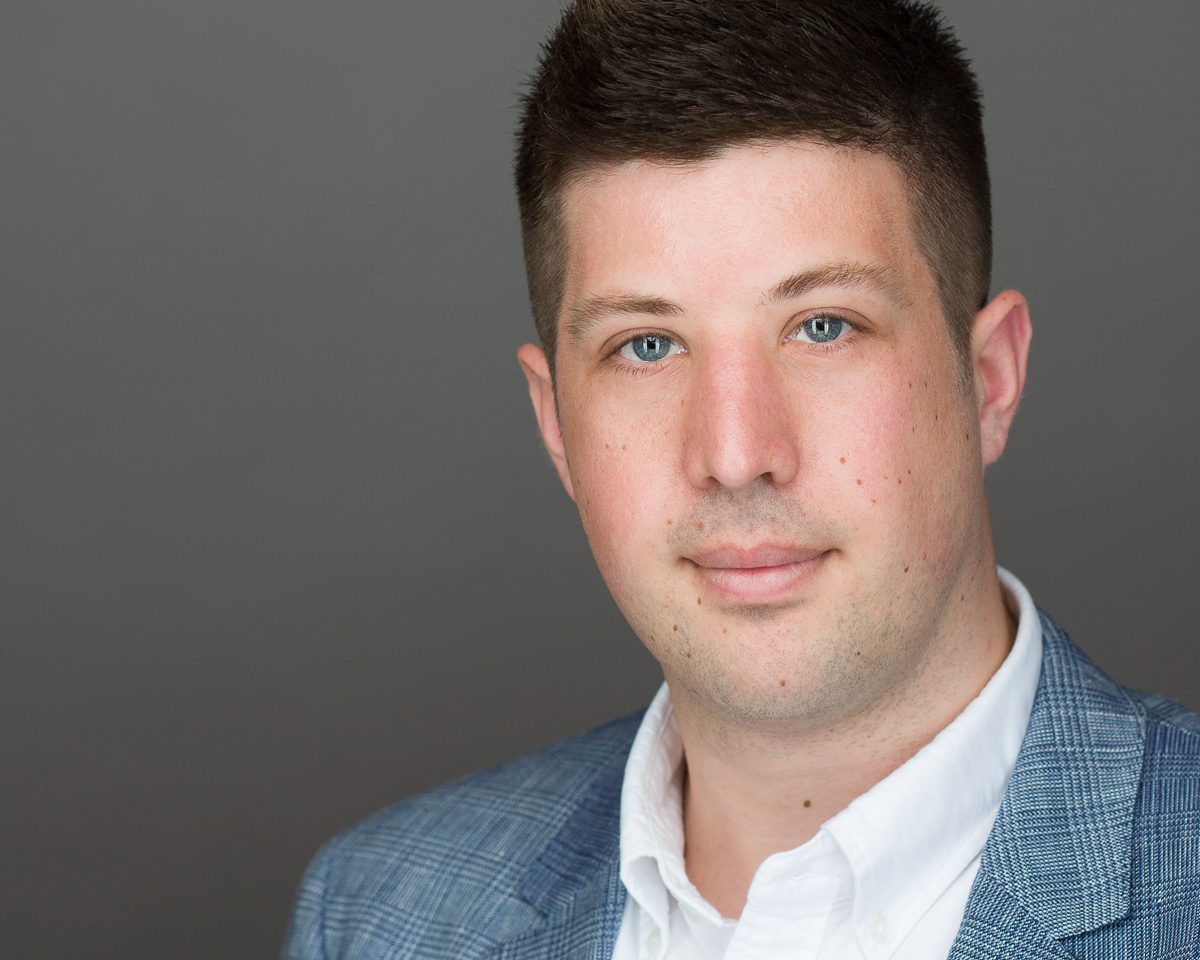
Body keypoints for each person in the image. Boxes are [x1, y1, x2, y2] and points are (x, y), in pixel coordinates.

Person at [282, 1, 1200, 957]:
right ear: (555, 424)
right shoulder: (376, 915)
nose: (733, 454)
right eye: (646, 345)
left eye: (823, 327)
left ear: (991, 381)